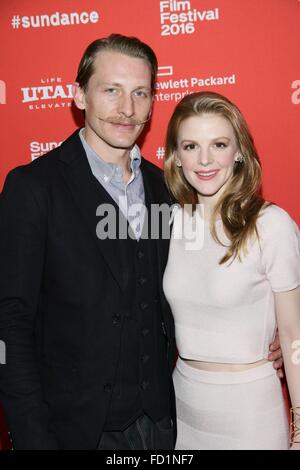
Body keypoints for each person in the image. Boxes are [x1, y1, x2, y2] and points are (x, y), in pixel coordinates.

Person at [0, 35, 282, 450]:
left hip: (164, 423)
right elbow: (10, 320)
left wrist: (262, 339)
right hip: (72, 430)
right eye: (111, 90)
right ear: (80, 95)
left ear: (152, 102)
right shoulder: (34, 187)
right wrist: (31, 436)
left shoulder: (166, 188)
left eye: (140, 93)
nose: (126, 109)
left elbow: (206, 277)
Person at [163, 91, 300, 450]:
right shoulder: (170, 223)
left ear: (239, 151)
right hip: (181, 410)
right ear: (176, 157)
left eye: (219, 144)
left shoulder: (271, 225)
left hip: (250, 415)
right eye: (191, 146)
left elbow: (293, 334)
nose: (205, 160)